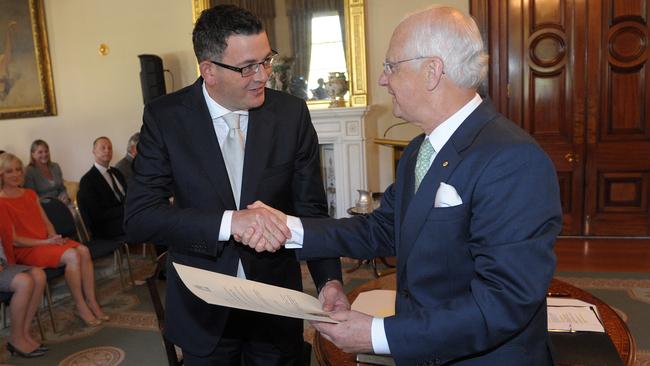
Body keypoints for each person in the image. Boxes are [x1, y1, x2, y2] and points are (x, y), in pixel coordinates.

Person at [247, 6, 563, 366]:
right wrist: (290, 228)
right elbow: (382, 228)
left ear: (432, 71)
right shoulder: (419, 149)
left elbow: (503, 303)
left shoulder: (513, 160)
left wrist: (377, 334)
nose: (383, 80)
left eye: (390, 66)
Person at [124, 5, 346, 365]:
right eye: (247, 67)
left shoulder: (291, 114)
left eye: (266, 60)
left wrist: (329, 282)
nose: (263, 76)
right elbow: (140, 217)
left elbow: (311, 211)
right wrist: (231, 223)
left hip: (277, 306)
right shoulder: (165, 118)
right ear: (208, 70)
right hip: (203, 311)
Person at [0, 153, 108, 328]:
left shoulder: (29, 193)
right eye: (9, 171)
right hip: (26, 249)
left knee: (83, 251)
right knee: (72, 255)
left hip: (45, 243)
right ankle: (80, 306)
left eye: (18, 170)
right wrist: (45, 243)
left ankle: (92, 301)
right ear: (1, 175)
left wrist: (53, 236)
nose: (16, 174)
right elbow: (15, 240)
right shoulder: (1, 201)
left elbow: (46, 222)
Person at [0, 208, 48, 358]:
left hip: (3, 263)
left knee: (39, 275)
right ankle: (16, 339)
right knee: (24, 282)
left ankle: (24, 333)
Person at [77, 137, 127, 240]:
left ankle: (163, 254)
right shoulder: (87, 181)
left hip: (126, 217)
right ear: (94, 151)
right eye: (103, 148)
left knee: (154, 216)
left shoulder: (117, 173)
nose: (107, 151)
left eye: (110, 148)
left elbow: (128, 196)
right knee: (151, 222)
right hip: (106, 226)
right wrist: (126, 209)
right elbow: (97, 215)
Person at [23, 139, 71, 204]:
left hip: (62, 203)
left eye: (46, 151)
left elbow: (62, 188)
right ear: (33, 154)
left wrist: (64, 196)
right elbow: (32, 196)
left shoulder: (55, 166)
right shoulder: (29, 171)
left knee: (74, 212)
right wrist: (54, 202)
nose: (44, 154)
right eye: (40, 152)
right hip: (43, 206)